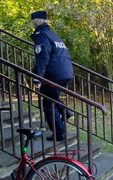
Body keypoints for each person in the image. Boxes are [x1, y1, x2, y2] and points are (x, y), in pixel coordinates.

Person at [30, 11, 73, 141]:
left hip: (53, 75)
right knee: (52, 97)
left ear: (35, 21)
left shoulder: (42, 35)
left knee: (48, 104)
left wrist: (37, 77)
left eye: (31, 21)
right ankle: (65, 112)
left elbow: (43, 57)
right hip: (65, 73)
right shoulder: (53, 35)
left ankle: (58, 133)